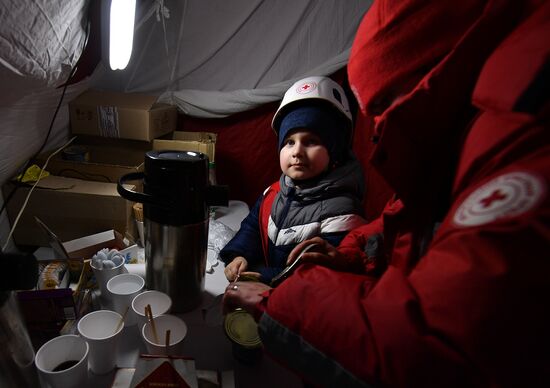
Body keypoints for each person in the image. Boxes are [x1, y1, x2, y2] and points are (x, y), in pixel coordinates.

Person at [223, 0, 550, 387]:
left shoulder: (523, 144)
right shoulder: (275, 191)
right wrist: (243, 253)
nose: (380, 132)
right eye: (288, 141)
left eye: (385, 106)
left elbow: (437, 344)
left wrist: (270, 292)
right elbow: (396, 227)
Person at [220, 76, 367, 284]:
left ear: (334, 150)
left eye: (311, 142)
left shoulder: (343, 212)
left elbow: (320, 275)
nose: (297, 151)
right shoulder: (272, 194)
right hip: (262, 291)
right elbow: (252, 228)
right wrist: (239, 255)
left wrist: (264, 277)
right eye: (289, 142)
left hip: (301, 304)